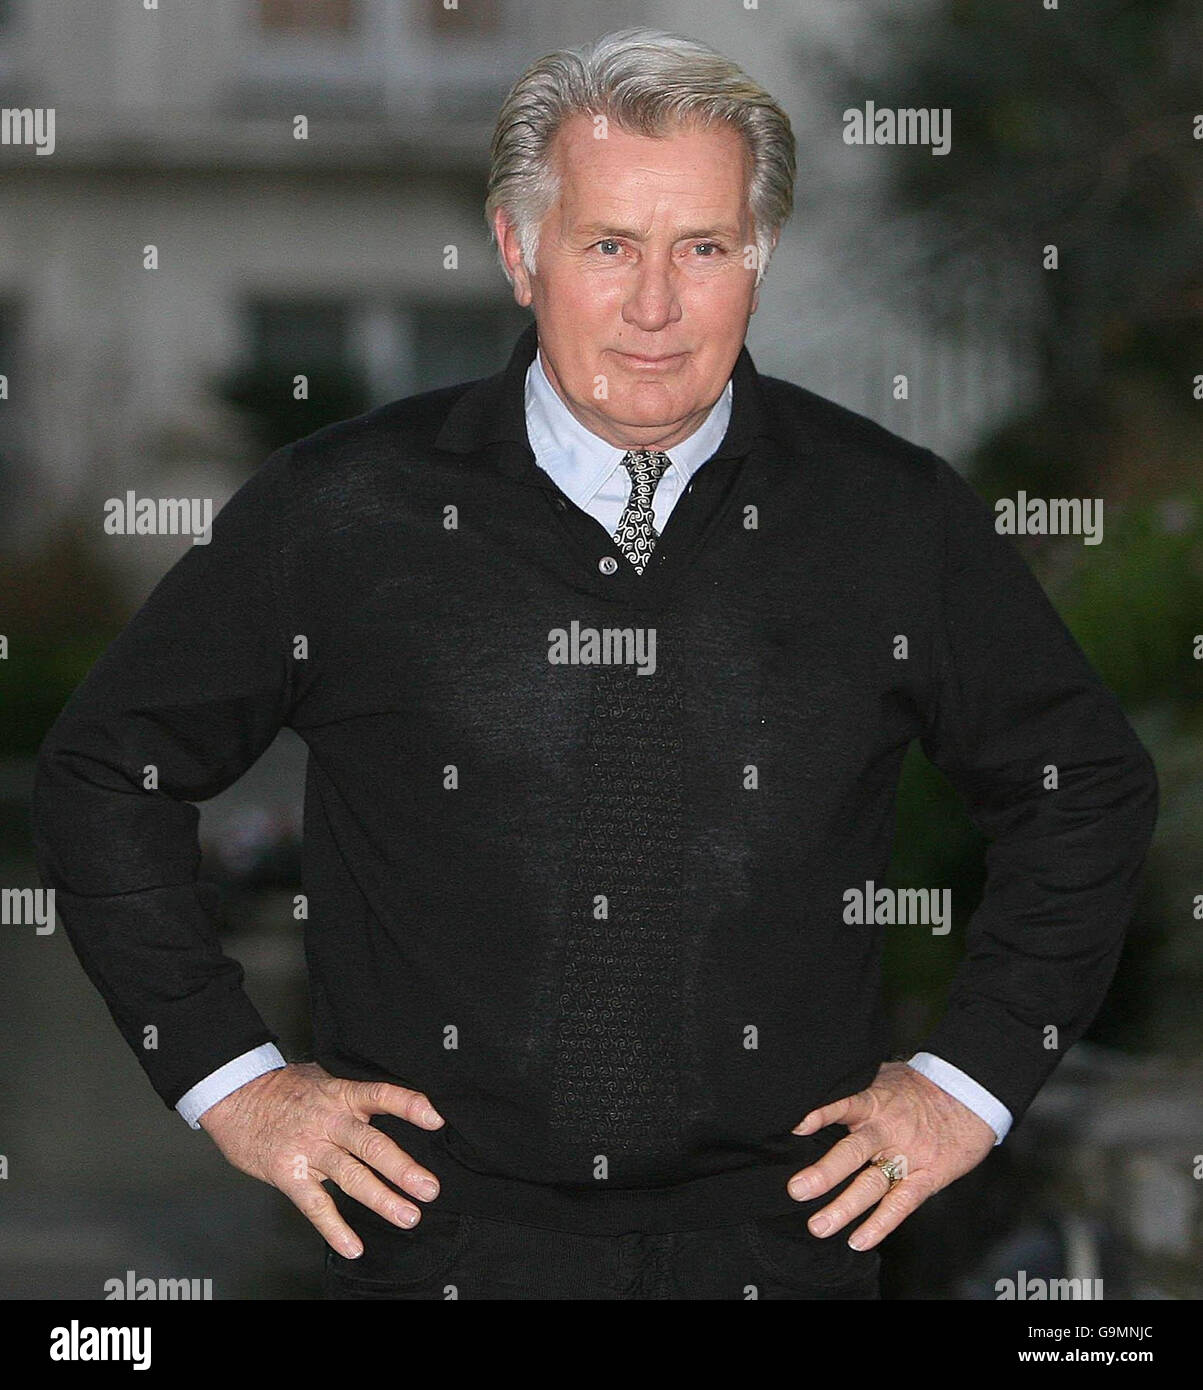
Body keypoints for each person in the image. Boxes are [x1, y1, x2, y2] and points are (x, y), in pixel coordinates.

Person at [31, 27, 1158, 1300]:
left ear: (760, 257)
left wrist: (969, 1084)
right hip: (432, 1251)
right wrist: (233, 1082)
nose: (657, 306)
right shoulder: (345, 513)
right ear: (521, 253)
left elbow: (1086, 789)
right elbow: (102, 773)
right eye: (610, 244)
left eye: (706, 248)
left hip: (790, 1250)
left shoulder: (893, 519)